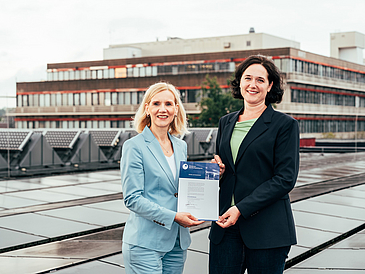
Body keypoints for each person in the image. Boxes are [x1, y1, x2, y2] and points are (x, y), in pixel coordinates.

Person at [209, 55, 300, 274]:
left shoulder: (285, 125)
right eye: (247, 78)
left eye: (260, 80)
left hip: (266, 229)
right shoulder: (226, 122)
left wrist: (241, 208)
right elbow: (230, 169)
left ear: (270, 86)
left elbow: (285, 178)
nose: (253, 84)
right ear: (239, 82)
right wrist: (218, 172)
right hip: (225, 225)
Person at [121, 82, 204, 274]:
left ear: (176, 109)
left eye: (168, 104)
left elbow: (178, 189)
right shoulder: (134, 146)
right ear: (147, 108)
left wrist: (212, 175)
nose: (162, 109)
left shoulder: (181, 146)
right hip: (145, 244)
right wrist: (173, 217)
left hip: (177, 243)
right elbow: (132, 199)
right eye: (156, 103)